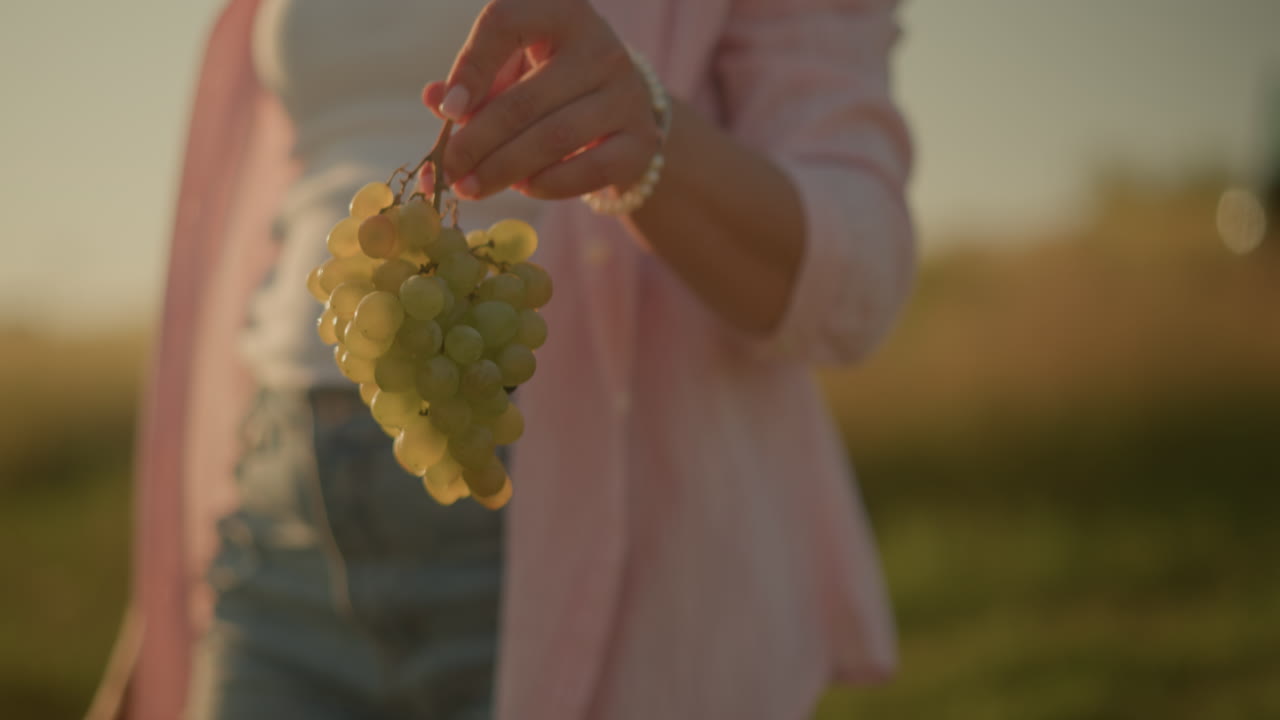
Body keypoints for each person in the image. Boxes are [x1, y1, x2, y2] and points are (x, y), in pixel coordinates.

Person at [90, 0, 915, 717]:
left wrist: (647, 134)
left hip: (590, 535)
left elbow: (860, 281)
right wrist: (160, 614)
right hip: (272, 520)